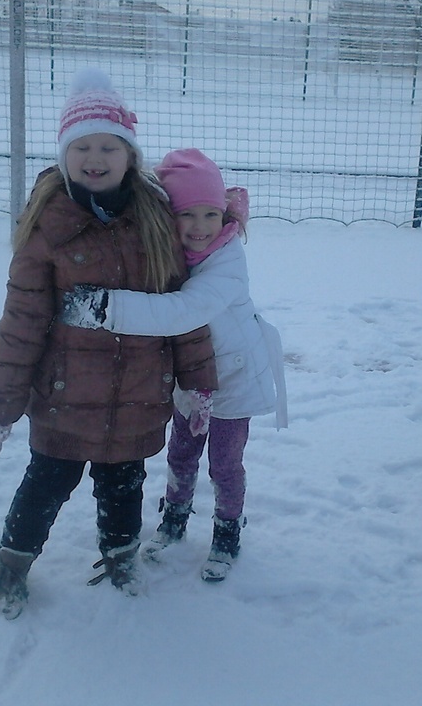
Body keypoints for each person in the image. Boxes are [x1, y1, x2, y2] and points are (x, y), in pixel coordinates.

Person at [0, 70, 218, 619]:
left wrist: (197, 380)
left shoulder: (156, 219)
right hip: (65, 397)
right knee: (45, 485)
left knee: (124, 485)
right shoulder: (47, 226)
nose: (95, 158)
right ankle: (11, 567)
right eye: (81, 146)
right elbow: (21, 320)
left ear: (129, 154)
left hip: (139, 393)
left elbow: (182, 309)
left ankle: (120, 558)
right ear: (64, 154)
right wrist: (3, 403)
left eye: (109, 147)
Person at [61, 148, 286, 582]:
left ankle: (227, 532)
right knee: (181, 454)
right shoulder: (169, 254)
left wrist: (106, 308)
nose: (201, 227)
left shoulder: (227, 259)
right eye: (188, 215)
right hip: (190, 377)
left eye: (210, 214)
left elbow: (184, 312)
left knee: (224, 463)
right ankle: (174, 520)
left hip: (234, 380)